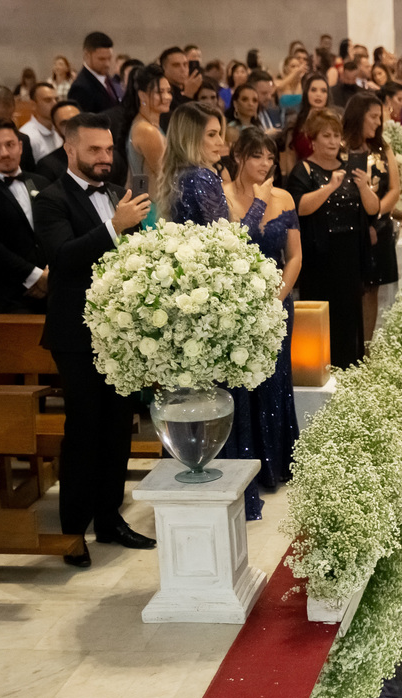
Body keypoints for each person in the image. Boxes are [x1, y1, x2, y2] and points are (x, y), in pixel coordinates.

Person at [33, 112, 155, 567]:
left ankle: (109, 518)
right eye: (94, 151)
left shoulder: (113, 193)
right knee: (83, 431)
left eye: (108, 150)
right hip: (75, 333)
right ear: (70, 150)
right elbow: (63, 258)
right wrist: (114, 227)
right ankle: (72, 533)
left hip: (119, 332)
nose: (105, 158)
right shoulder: (50, 199)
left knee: (117, 427)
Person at [163, 101, 266, 520]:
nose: (221, 142)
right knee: (221, 398)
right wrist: (258, 205)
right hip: (212, 300)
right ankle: (230, 497)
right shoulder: (202, 178)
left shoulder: (175, 177)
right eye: (211, 134)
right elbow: (228, 241)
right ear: (190, 138)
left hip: (187, 303)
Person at [224, 127, 301, 491]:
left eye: (270, 157)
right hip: (236, 306)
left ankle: (277, 465)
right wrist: (257, 202)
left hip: (277, 302)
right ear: (239, 156)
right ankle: (245, 466)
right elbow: (231, 245)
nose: (266, 163)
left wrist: (279, 297)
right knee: (243, 385)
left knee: (275, 382)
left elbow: (296, 256)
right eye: (258, 156)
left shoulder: (284, 197)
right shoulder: (221, 197)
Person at [288, 107, 379, 369]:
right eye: (325, 136)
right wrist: (329, 188)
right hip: (319, 257)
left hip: (350, 256)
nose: (331, 141)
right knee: (322, 316)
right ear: (313, 140)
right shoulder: (303, 170)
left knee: (348, 317)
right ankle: (319, 369)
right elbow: (299, 207)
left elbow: (373, 210)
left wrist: (363, 186)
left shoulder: (352, 169)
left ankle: (348, 370)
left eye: (335, 136)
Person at [343, 92, 401, 341]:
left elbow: (395, 189)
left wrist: (377, 213)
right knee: (351, 288)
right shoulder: (342, 148)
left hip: (379, 223)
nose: (379, 122)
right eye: (374, 117)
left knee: (372, 289)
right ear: (358, 116)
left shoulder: (382, 147)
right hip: (348, 225)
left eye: (380, 117)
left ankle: (366, 345)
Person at [0, 119, 49, 313]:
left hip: (51, 290)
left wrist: (51, 274)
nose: (4, 153)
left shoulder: (42, 183)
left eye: (10, 145)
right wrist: (37, 277)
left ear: (20, 147)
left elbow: (58, 231)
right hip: (6, 296)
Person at [122, 65, 171, 203]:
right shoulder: (146, 130)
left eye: (168, 91)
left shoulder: (147, 125)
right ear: (142, 95)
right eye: (160, 92)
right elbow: (167, 175)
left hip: (150, 204)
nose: (167, 97)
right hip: (153, 209)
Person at [282, 72, 328, 176]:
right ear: (306, 93)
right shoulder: (294, 121)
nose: (318, 94)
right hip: (300, 177)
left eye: (323, 91)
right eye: (313, 90)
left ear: (327, 95)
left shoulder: (334, 122)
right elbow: (290, 155)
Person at [0, 86, 37, 172]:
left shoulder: (22, 139)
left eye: (6, 119)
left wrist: (27, 186)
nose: (0, 126)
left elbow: (28, 178)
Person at [68, 32, 119, 113]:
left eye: (109, 58)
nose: (107, 64)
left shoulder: (107, 78)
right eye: (101, 59)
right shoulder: (80, 88)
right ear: (86, 55)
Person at [35, 100, 80, 180]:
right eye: (64, 123)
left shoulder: (105, 153)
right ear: (56, 129)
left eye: (76, 120)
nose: (71, 126)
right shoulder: (48, 165)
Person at [19, 83, 62, 162]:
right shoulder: (27, 136)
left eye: (56, 99)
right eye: (48, 100)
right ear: (33, 105)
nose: (55, 104)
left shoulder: (59, 131)